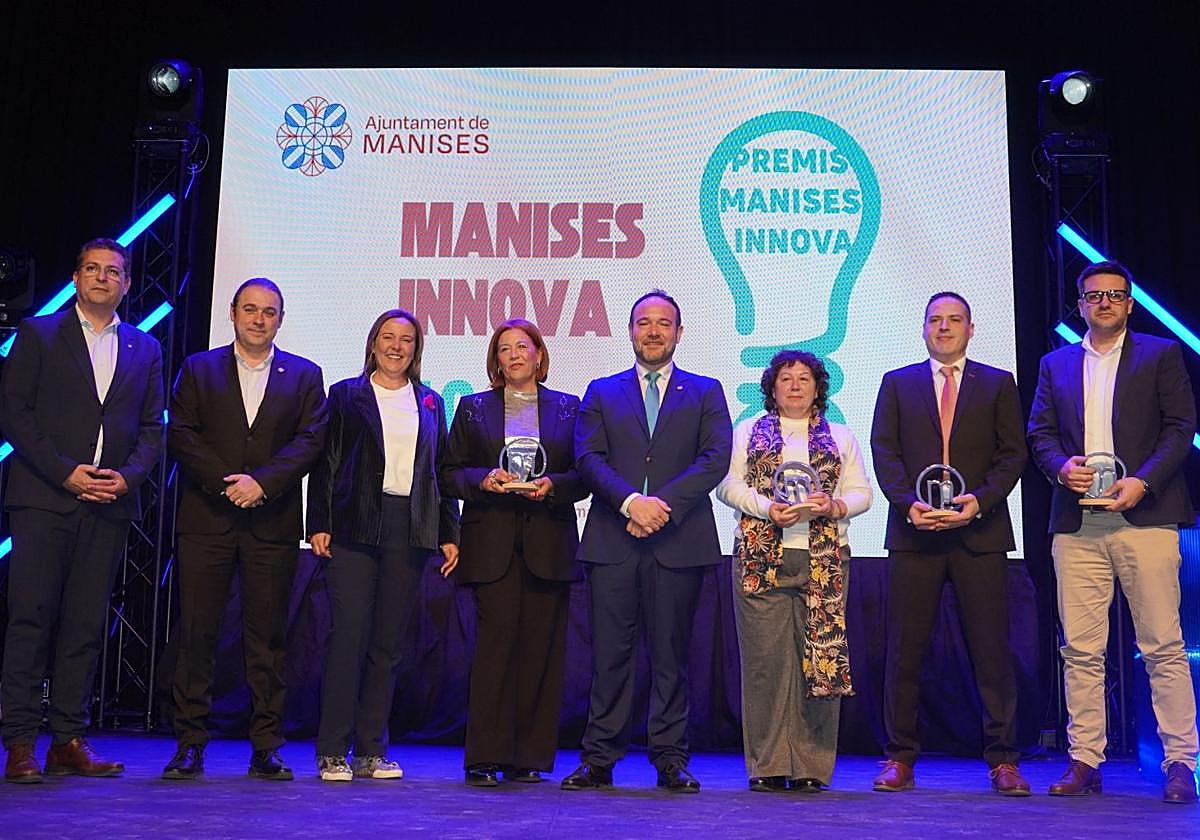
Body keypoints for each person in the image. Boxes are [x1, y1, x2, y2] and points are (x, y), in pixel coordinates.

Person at [1028, 261, 1198, 804]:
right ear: (1079, 304)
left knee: (1163, 647)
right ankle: (1086, 759)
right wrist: (1060, 468)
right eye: (1093, 295)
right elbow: (1040, 432)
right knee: (1080, 649)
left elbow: (1181, 428)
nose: (1104, 302)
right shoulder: (1055, 364)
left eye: (1115, 295)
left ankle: (1180, 762)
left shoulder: (1160, 354)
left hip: (1145, 516)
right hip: (1077, 522)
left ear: (1129, 304)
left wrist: (1142, 482)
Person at [1, 238, 163, 783]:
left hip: (108, 505)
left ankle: (68, 737)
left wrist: (128, 477)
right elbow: (15, 415)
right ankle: (20, 741)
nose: (101, 279)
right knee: (30, 621)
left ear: (127, 283)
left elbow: (150, 429)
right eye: (91, 270)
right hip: (45, 498)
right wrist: (65, 471)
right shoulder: (38, 333)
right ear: (75, 278)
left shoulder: (144, 348)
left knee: (84, 627)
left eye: (112, 272)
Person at [561, 289, 732, 793]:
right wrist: (632, 503)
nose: (653, 331)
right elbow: (588, 458)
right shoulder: (601, 390)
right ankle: (598, 760)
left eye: (664, 323)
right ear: (630, 331)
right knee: (610, 657)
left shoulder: (705, 391)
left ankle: (670, 760)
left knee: (671, 657)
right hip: (614, 540)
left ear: (679, 333)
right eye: (643, 322)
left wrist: (662, 507)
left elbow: (714, 458)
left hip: (679, 542)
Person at [163, 277, 327, 781]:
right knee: (197, 634)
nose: (259, 319)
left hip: (271, 521)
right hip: (206, 519)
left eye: (269, 312)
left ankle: (266, 746)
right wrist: (226, 483)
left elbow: (310, 440)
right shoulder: (199, 368)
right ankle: (190, 743)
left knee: (268, 640)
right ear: (232, 313)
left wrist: (263, 484)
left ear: (280, 318)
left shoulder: (303, 374)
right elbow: (182, 435)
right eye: (250, 310)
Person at [869, 291, 1029, 796]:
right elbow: (885, 451)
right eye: (935, 320)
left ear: (971, 328)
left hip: (979, 534)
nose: (944, 328)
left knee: (991, 652)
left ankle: (1003, 760)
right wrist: (905, 502)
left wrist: (977, 502)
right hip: (914, 534)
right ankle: (899, 758)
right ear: (922, 329)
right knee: (905, 652)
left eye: (954, 320)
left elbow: (1012, 455)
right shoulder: (897, 383)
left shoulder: (999, 383)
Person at [306, 308, 460, 783]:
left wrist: (449, 533)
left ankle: (372, 750)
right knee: (349, 637)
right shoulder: (346, 395)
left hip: (409, 530)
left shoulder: (431, 402)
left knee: (388, 646)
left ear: (416, 349)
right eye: (388, 338)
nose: (397, 346)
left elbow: (441, 473)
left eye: (407, 340)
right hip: (353, 525)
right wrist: (320, 522)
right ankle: (333, 750)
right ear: (373, 343)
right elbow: (326, 463)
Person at [715, 349, 871, 792]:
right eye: (786, 378)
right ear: (772, 387)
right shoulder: (747, 431)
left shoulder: (840, 436)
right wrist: (766, 508)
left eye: (804, 378)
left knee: (820, 661)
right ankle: (767, 765)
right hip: (761, 557)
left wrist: (836, 504)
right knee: (764, 665)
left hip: (824, 559)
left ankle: (811, 768)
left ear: (819, 387)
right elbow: (728, 484)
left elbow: (862, 492)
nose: (796, 385)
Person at [441, 318, 587, 787]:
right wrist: (481, 480)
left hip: (549, 545)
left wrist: (553, 486)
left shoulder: (569, 409)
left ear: (540, 355)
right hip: (491, 545)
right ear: (496, 361)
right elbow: (449, 472)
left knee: (541, 654)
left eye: (524, 347)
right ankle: (484, 756)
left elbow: (586, 475)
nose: (516, 355)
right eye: (505, 349)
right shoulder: (472, 408)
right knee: (494, 653)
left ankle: (529, 758)